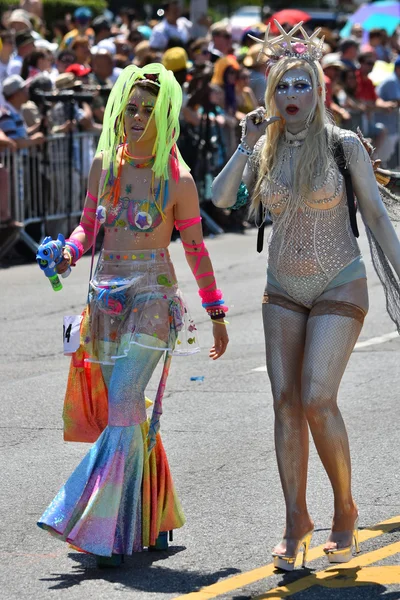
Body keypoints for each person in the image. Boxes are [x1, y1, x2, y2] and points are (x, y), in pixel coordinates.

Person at [212, 21, 400, 571]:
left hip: (340, 281)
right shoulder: (263, 147)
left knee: (317, 397)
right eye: (282, 87)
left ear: (319, 92)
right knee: (284, 403)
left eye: (302, 85)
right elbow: (222, 198)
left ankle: (345, 509)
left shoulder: (344, 146)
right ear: (271, 96)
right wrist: (245, 145)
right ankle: (296, 518)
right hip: (282, 289)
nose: (292, 95)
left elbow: (378, 222)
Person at [37, 63, 229, 567]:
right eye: (131, 108)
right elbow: (85, 228)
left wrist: (216, 311)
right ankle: (153, 515)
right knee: (121, 414)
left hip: (152, 294)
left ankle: (98, 527)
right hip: (104, 299)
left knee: (123, 400)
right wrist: (67, 253)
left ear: (166, 115)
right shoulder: (105, 163)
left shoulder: (178, 178)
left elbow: (195, 251)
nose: (138, 116)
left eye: (148, 109)